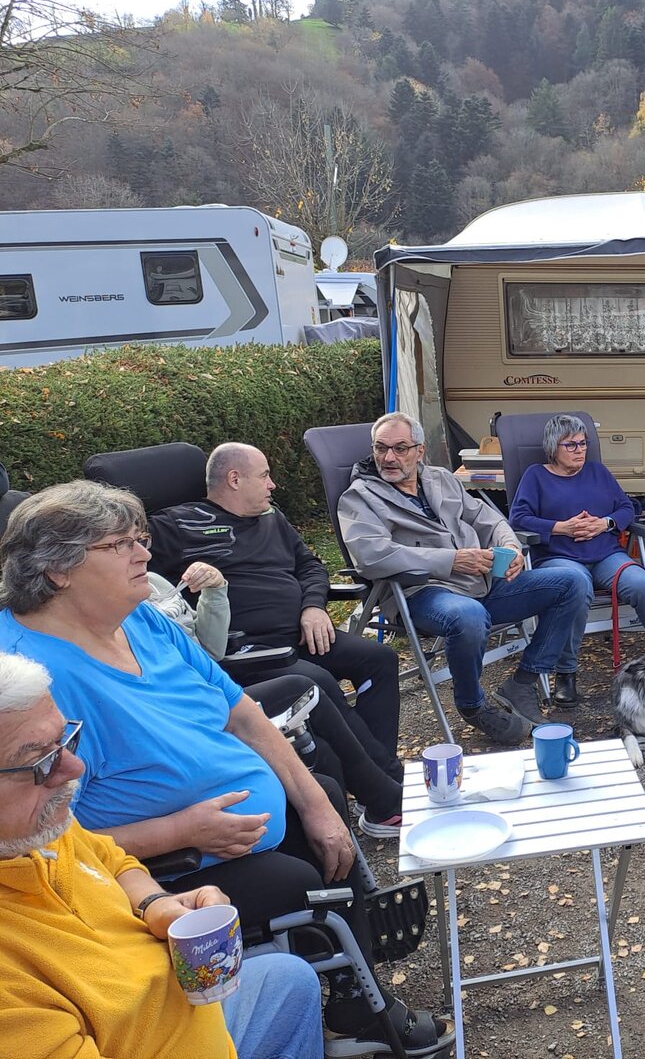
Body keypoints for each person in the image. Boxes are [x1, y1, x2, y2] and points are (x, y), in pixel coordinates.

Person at [0, 481, 451, 1056]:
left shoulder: (141, 621)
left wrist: (314, 804)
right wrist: (181, 831)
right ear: (59, 570)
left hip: (227, 826)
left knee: (323, 794)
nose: (144, 553)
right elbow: (45, 836)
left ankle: (349, 983)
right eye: (120, 544)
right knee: (297, 882)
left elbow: (241, 712)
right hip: (163, 862)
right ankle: (352, 996)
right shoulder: (26, 684)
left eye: (140, 538)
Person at [0, 651, 323, 1059]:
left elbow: (111, 859)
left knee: (290, 980)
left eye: (65, 740)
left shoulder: (35, 832)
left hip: (175, 1004)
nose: (75, 768)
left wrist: (156, 904)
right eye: (41, 762)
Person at [148, 442, 405, 823]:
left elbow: (310, 566)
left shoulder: (272, 518)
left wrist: (313, 606)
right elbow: (135, 572)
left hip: (299, 632)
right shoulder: (176, 526)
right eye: (265, 475)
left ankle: (381, 778)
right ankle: (386, 795)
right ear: (234, 479)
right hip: (246, 648)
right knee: (317, 681)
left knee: (379, 660)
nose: (273, 485)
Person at [339, 411, 592, 743]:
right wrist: (452, 560)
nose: (389, 457)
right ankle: (473, 705)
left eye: (400, 448)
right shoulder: (360, 497)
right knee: (469, 615)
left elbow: (488, 518)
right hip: (422, 591)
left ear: (419, 451)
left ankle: (523, 682)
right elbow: (371, 555)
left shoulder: (440, 479)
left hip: (481, 583)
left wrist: (511, 547)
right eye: (381, 448)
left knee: (573, 582)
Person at [147, 562, 405, 837]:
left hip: (229, 674)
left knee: (374, 664)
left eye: (143, 541)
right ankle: (388, 799)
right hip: (203, 692)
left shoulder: (153, 582)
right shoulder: (132, 609)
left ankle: (386, 791)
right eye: (126, 543)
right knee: (303, 689)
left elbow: (210, 650)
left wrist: (216, 590)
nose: (143, 552)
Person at [509, 413, 645, 674]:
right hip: (559, 556)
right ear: (553, 447)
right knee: (577, 588)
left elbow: (627, 507)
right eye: (571, 444)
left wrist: (606, 523)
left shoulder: (597, 472)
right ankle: (566, 673)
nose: (579, 450)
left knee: (642, 585)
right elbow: (518, 518)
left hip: (605, 555)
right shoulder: (535, 476)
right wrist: (561, 528)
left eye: (583, 443)